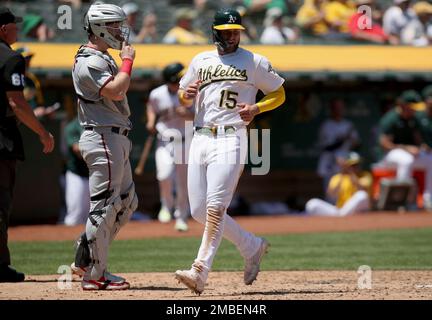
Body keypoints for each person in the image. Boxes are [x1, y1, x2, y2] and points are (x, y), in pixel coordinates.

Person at [174, 8, 285, 295]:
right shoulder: (201, 59)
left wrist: (257, 107)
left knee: (215, 208)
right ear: (215, 32)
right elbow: (183, 94)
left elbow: (279, 93)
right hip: (198, 137)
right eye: (227, 31)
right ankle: (252, 246)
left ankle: (199, 271)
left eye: (236, 31)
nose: (233, 36)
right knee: (198, 210)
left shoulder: (254, 61)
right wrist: (186, 95)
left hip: (230, 138)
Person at [69, 3, 138, 290]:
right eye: (112, 25)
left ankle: (85, 253)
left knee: (128, 203)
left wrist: (122, 61)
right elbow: (116, 89)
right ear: (98, 27)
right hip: (102, 137)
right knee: (104, 207)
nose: (118, 30)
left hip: (115, 136)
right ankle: (94, 274)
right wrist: (128, 61)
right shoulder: (89, 60)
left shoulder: (103, 56)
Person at [0, 8, 54, 282]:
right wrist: (43, 133)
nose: (17, 29)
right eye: (13, 25)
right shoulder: (10, 57)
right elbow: (16, 102)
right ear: (2, 30)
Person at [142, 62, 193, 232]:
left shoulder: (191, 92)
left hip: (186, 140)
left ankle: (182, 215)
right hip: (165, 140)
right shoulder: (157, 94)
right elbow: (151, 106)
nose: (181, 81)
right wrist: (150, 121)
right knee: (164, 175)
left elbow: (202, 114)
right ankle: (166, 205)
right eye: (177, 79)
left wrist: (189, 114)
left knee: (183, 182)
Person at [377, 90, 432, 210]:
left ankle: (429, 200)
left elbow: (418, 139)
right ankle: (401, 201)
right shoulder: (391, 118)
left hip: (410, 154)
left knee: (430, 159)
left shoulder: (414, 118)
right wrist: (405, 148)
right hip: (389, 156)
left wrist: (422, 147)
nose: (415, 110)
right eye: (412, 107)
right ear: (403, 105)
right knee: (406, 160)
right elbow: (384, 144)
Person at [317, 98, 360, 198]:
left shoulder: (348, 124)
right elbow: (326, 146)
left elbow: (356, 143)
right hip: (330, 161)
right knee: (330, 190)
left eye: (341, 107)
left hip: (345, 159)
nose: (339, 110)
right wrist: (342, 139)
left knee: (345, 189)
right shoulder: (326, 125)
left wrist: (350, 140)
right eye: (336, 108)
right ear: (332, 109)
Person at [306, 151, 372, 216]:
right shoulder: (338, 177)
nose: (355, 167)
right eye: (352, 165)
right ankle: (340, 218)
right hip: (339, 210)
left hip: (356, 211)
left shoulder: (365, 175)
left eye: (357, 165)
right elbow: (331, 195)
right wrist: (342, 174)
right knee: (312, 204)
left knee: (362, 195)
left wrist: (350, 172)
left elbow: (362, 189)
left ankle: (342, 216)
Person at [15, 47, 59, 119]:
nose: (28, 62)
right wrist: (33, 113)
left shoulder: (32, 79)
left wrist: (45, 111)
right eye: (25, 59)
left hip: (31, 122)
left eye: (29, 58)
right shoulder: (9, 78)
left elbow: (39, 103)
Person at [63, 116, 90, 226]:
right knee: (75, 214)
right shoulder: (72, 126)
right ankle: (66, 240)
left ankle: (88, 242)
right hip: (77, 175)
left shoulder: (99, 123)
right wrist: (96, 148)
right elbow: (77, 150)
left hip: (94, 175)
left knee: (93, 216)